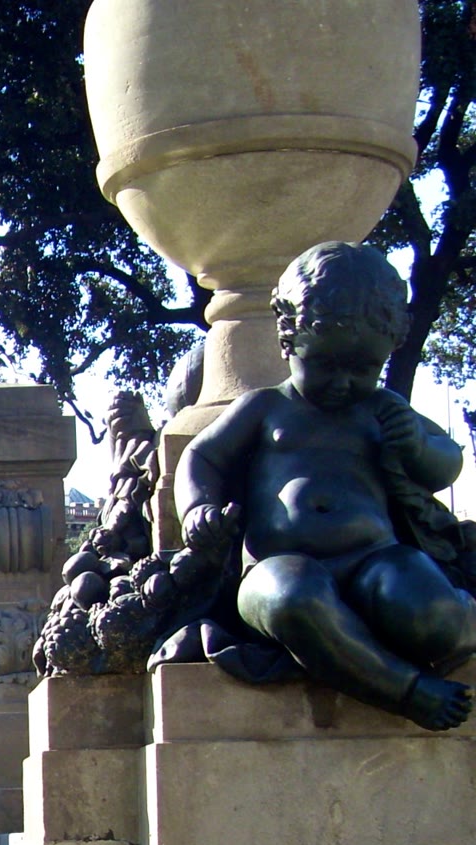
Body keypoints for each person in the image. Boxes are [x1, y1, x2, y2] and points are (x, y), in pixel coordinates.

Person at [175, 241, 476, 730]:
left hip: (375, 560)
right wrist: (197, 511)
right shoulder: (266, 407)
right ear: (288, 337)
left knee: (433, 616)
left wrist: (417, 445)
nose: (343, 382)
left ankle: (465, 617)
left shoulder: (382, 409)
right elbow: (202, 455)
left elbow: (446, 464)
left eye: (364, 369)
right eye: (325, 364)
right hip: (277, 568)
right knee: (293, 601)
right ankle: (406, 689)